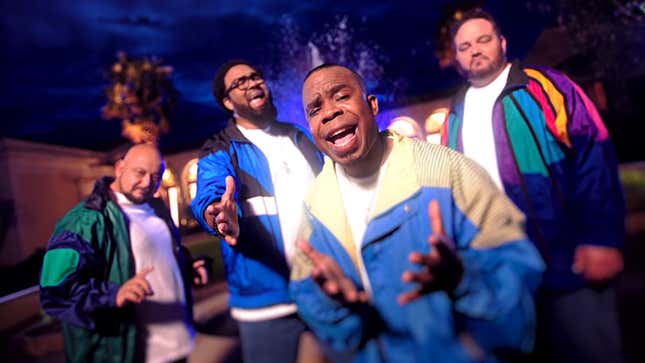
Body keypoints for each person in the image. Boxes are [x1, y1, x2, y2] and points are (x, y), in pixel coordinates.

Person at [290, 63, 544, 362]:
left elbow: (520, 282)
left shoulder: (447, 171)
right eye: (315, 108)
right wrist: (337, 306)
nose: (329, 112)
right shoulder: (316, 205)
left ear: (372, 105)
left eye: (342, 96)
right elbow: (312, 304)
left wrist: (464, 279)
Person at [441, 8, 626, 363]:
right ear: (457, 56)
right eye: (464, 46)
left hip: (568, 266)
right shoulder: (455, 115)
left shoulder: (546, 87)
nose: (475, 50)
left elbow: (594, 154)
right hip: (503, 281)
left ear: (502, 42)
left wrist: (601, 239)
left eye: (483, 40)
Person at [191, 60, 323, 363]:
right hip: (266, 302)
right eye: (240, 82)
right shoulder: (219, 148)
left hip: (320, 287)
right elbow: (210, 193)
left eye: (255, 76)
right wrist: (217, 213)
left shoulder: (299, 137)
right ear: (227, 102)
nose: (252, 83)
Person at [39, 143, 209, 363]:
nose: (148, 182)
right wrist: (113, 294)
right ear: (120, 168)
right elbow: (55, 293)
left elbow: (162, 255)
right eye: (140, 172)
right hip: (128, 353)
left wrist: (188, 268)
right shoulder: (84, 221)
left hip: (179, 344)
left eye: (156, 176)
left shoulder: (157, 208)